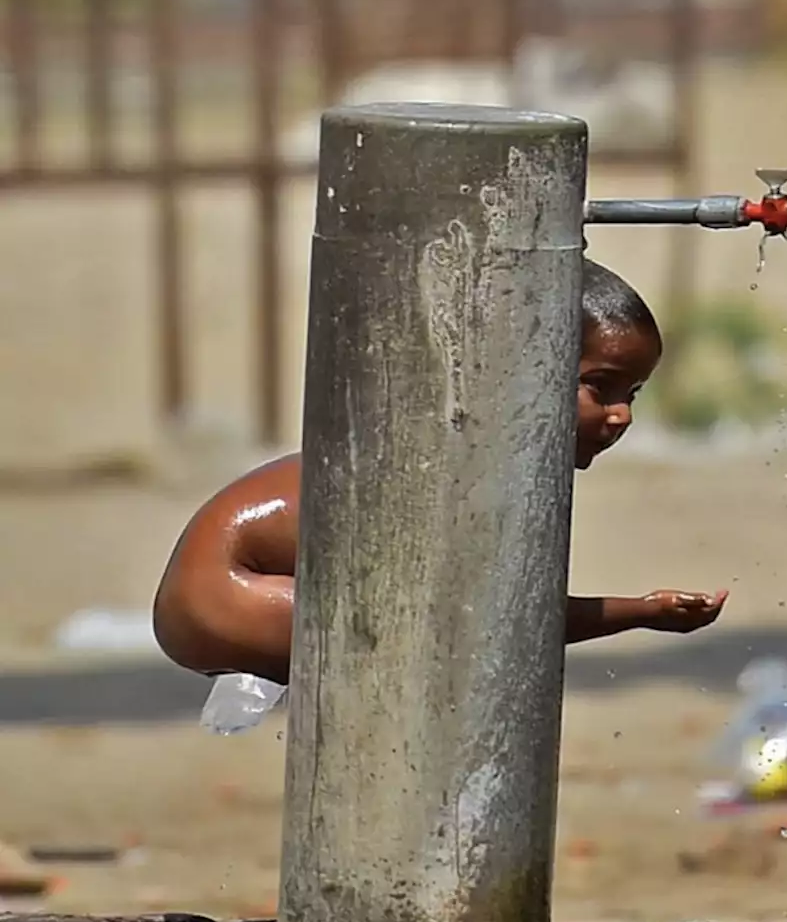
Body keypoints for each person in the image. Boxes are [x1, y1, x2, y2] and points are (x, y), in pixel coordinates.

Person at [153, 259, 728, 688]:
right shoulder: (454, 463)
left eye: (633, 394)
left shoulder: (459, 439)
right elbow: (505, 619)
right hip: (229, 594)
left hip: (231, 592)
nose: (622, 414)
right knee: (455, 647)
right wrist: (643, 611)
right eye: (598, 388)